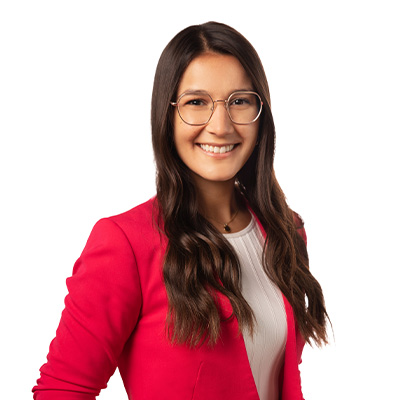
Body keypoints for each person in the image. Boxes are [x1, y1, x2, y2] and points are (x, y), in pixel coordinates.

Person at [33, 21, 329, 400]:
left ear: (261, 112)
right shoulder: (126, 244)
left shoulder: (287, 230)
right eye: (196, 102)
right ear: (167, 115)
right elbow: (62, 388)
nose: (220, 126)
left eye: (239, 101)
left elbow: (277, 371)